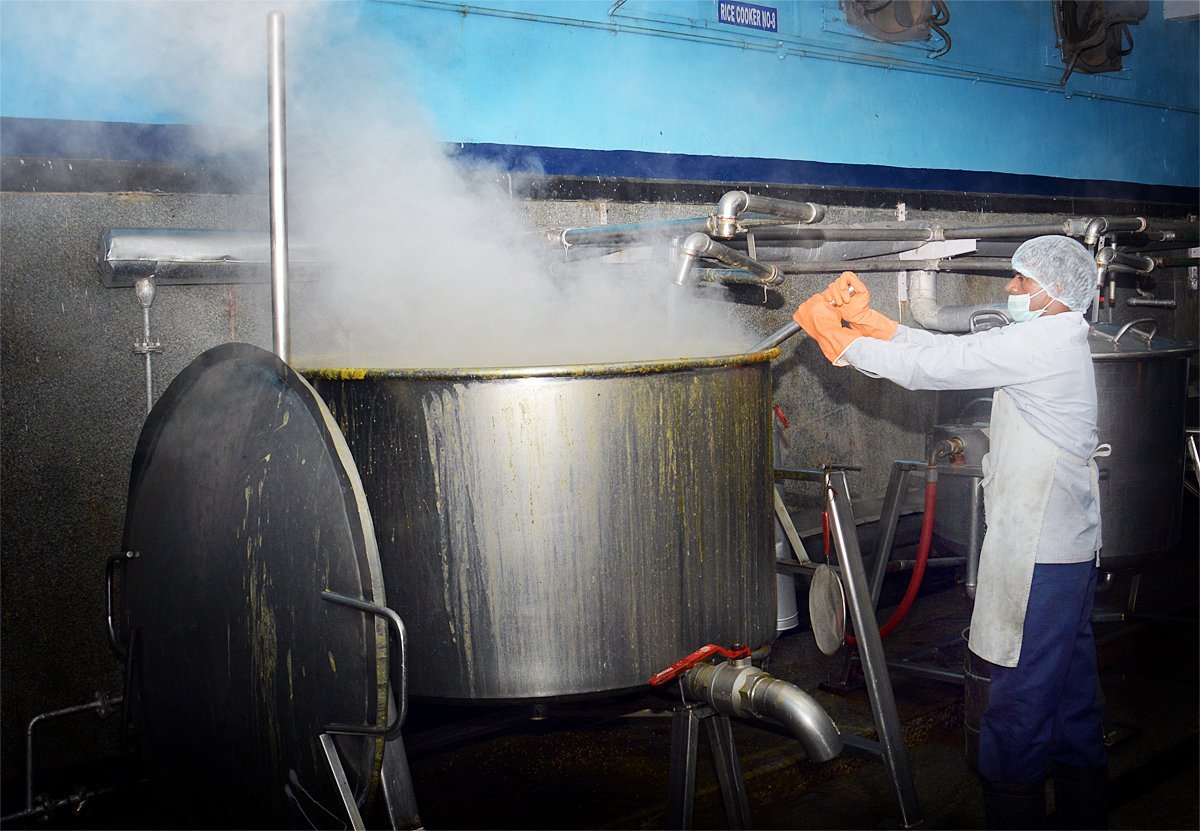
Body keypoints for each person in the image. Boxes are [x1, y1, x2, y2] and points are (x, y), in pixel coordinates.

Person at [793, 236, 1109, 830]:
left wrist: (837, 340)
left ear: (1054, 292)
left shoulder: (1044, 342)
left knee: (1016, 709)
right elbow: (951, 349)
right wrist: (871, 321)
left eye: (1021, 282)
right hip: (1067, 554)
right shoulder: (1048, 337)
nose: (1010, 290)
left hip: (1040, 557)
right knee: (1070, 702)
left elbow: (931, 369)